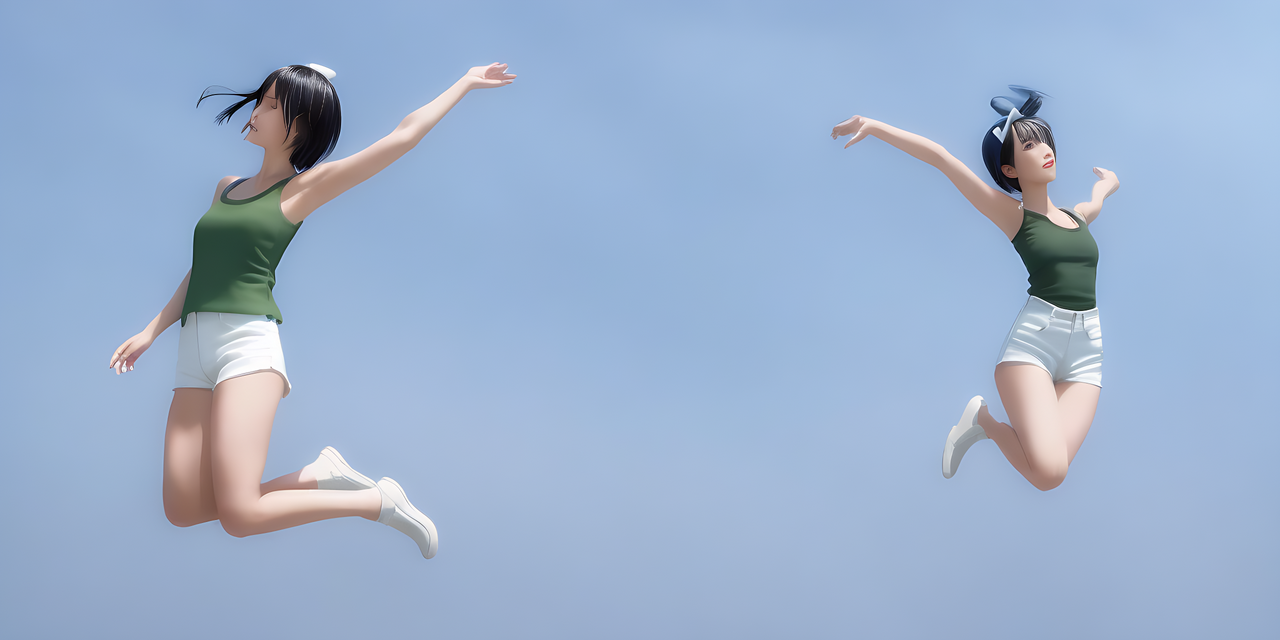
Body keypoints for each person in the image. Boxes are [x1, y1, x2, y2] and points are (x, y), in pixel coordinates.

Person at [108, 61, 516, 557]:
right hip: (192, 351)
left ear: (299, 126)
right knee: (183, 509)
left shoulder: (299, 191)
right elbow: (202, 269)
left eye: (270, 106)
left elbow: (402, 137)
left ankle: (375, 502)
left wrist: (466, 82)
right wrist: (151, 331)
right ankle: (321, 475)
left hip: (245, 348)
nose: (255, 112)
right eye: (260, 101)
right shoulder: (226, 188)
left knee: (239, 516)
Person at [830, 86, 1119, 490]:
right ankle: (985, 421)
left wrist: (1108, 184)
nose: (1045, 150)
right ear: (1010, 170)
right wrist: (875, 126)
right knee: (1049, 474)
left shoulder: (1077, 217)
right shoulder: (1015, 217)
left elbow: (1096, 203)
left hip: (1087, 350)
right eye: (1030, 146)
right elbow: (942, 158)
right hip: (1037, 343)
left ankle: (982, 423)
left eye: (1045, 141)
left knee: (1052, 470)